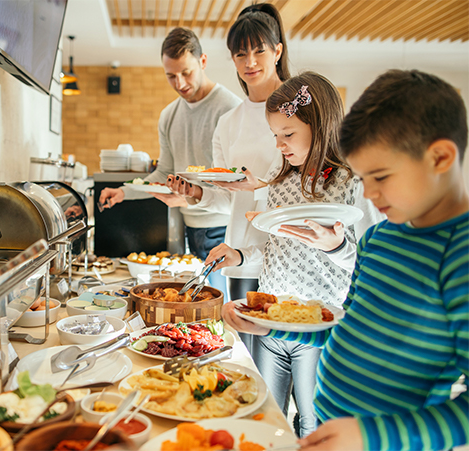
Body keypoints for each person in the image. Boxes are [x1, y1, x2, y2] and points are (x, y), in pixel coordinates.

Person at [224, 69, 469, 451]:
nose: (368, 192)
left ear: (439, 158)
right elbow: (343, 324)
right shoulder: (378, 237)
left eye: (380, 176)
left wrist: (367, 435)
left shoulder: (459, 257)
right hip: (336, 432)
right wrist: (269, 328)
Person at [208, 71, 383, 438]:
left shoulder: (352, 183)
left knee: (312, 424)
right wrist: (240, 256)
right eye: (276, 135)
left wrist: (335, 247)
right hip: (271, 321)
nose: (280, 145)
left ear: (320, 127)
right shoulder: (281, 180)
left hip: (319, 325)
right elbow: (275, 250)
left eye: (288, 135)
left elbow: (372, 264)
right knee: (266, 416)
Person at [167, 2, 288, 318]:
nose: (249, 62)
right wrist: (195, 194)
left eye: (258, 51)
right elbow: (228, 202)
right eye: (240, 54)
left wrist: (259, 187)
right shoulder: (229, 122)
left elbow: (304, 191)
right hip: (240, 259)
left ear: (277, 51)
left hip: (287, 256)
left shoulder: (297, 112)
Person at [99, 27, 240, 295]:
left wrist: (188, 197)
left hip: (225, 229)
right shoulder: (168, 116)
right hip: (191, 228)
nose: (180, 83)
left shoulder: (231, 109)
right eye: (171, 76)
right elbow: (164, 172)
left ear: (203, 61)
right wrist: (124, 191)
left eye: (186, 72)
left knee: (221, 308)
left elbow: (236, 182)